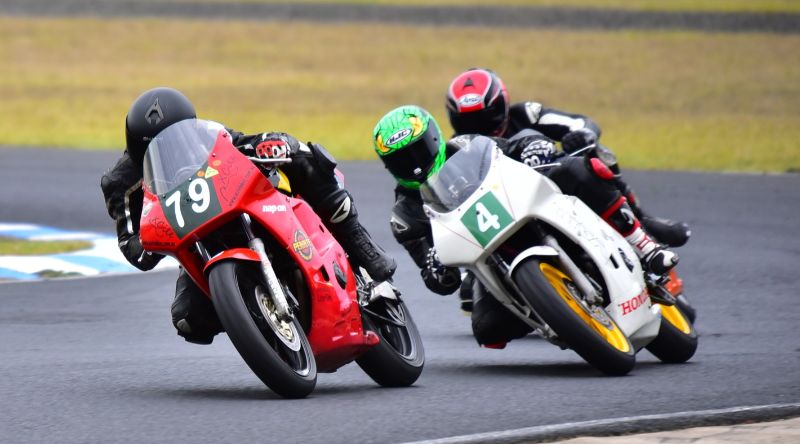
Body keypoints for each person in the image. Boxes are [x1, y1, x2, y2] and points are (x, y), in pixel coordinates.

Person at [101, 87, 395, 345]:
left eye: (174, 140)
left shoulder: (204, 136)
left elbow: (240, 143)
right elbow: (133, 248)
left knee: (304, 157)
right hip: (198, 241)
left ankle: (360, 244)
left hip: (241, 205)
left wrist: (273, 144)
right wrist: (150, 238)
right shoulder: (120, 183)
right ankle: (255, 318)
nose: (169, 149)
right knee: (188, 319)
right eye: (155, 145)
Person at [373, 105, 678, 348]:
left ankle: (643, 244)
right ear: (389, 167)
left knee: (578, 170)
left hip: (526, 211)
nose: (413, 163)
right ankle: (556, 317)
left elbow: (517, 142)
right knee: (488, 329)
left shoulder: (465, 145)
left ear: (435, 139)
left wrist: (534, 147)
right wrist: (436, 267)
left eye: (418, 150)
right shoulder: (405, 216)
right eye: (400, 159)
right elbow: (438, 283)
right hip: (490, 258)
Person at [445, 67, 690, 248]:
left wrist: (581, 136)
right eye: (468, 121)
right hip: (508, 212)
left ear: (503, 106)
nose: (479, 126)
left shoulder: (527, 114)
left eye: (485, 117)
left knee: (595, 153)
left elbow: (582, 123)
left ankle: (640, 220)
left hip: (558, 185)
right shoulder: (456, 151)